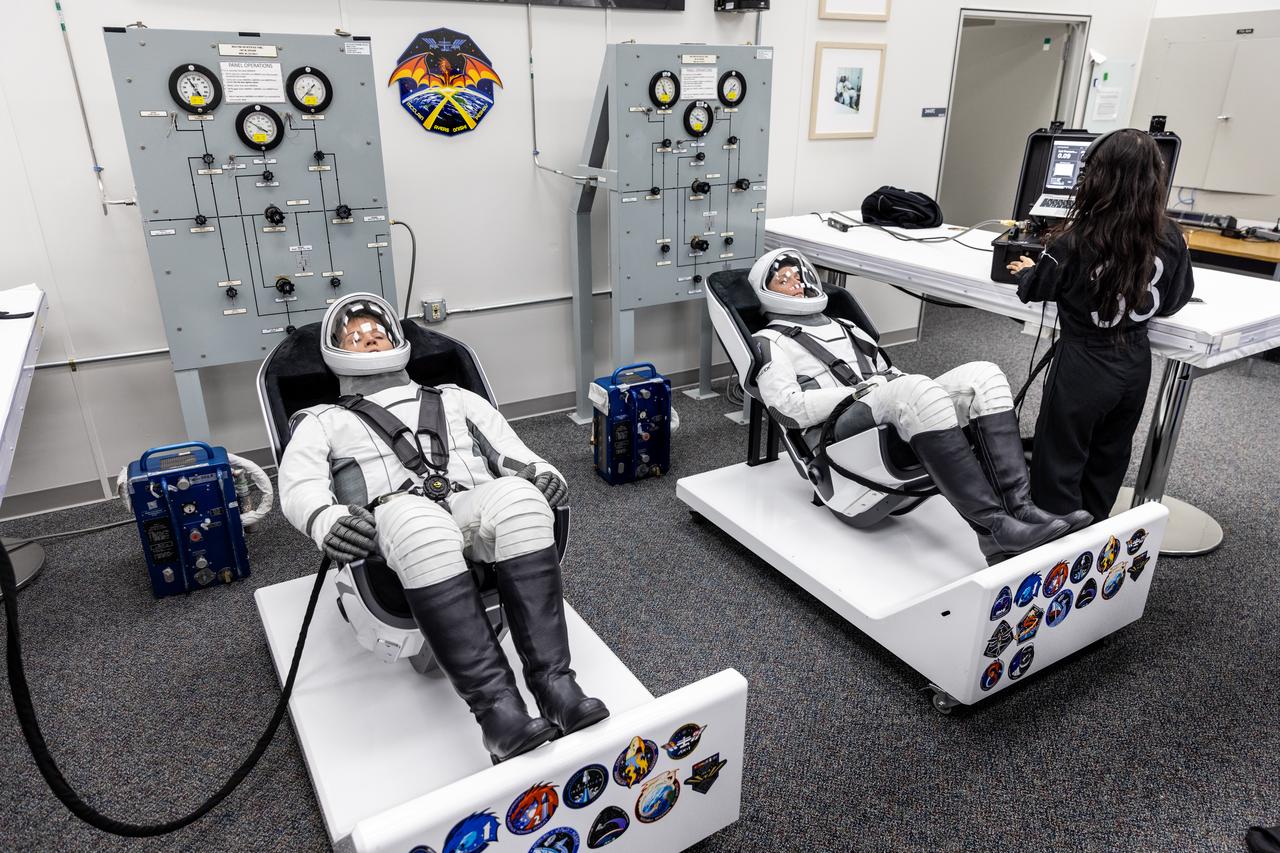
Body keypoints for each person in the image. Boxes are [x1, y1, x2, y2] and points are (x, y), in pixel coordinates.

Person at [278, 293, 607, 763]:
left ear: (396, 340)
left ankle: (556, 685)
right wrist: (327, 519)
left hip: (467, 503)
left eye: (377, 335)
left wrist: (543, 475)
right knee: (419, 525)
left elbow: (512, 452)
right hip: (394, 518)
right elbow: (299, 488)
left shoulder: (455, 399)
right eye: (357, 337)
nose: (370, 342)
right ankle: (499, 713)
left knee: (520, 501)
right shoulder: (322, 422)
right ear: (337, 351)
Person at [750, 248, 1089, 565]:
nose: (797, 283)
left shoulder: (848, 327)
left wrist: (898, 388)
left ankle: (1022, 509)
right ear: (767, 294)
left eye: (799, 275)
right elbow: (788, 409)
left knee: (985, 376)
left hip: (878, 406)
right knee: (910, 388)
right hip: (835, 436)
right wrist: (861, 392)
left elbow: (889, 373)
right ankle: (992, 529)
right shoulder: (770, 340)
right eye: (784, 280)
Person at [1007, 128, 1195, 522]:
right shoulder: (1172, 236)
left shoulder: (1072, 240)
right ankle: (1090, 540)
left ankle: (1053, 542)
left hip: (1084, 365)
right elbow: (1175, 300)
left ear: (1097, 176)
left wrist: (1028, 271)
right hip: (1134, 364)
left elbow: (1038, 288)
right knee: (1109, 456)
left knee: (1059, 456)